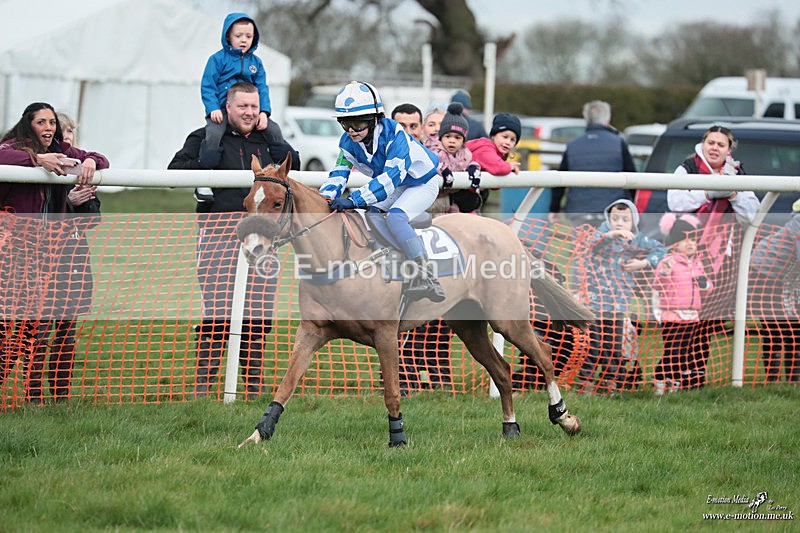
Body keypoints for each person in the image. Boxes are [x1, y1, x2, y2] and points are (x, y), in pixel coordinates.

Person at [169, 82, 299, 400]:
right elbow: (175, 171)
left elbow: (292, 168)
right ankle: (202, 391)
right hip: (218, 238)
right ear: (227, 107)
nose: (249, 113)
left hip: (264, 243)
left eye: (254, 106)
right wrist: (207, 161)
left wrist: (277, 139)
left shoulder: (268, 140)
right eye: (242, 106)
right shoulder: (205, 136)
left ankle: (253, 390)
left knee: (258, 314)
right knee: (217, 312)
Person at [0, 102, 109, 403]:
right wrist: (36, 160)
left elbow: (101, 161)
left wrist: (88, 166)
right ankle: (29, 393)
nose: (50, 129)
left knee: (57, 333)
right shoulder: (16, 152)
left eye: (54, 125)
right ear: (28, 125)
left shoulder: (66, 157)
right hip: (17, 258)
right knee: (17, 332)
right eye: (42, 122)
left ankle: (55, 400)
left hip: (63, 263)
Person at [319, 80, 444, 303]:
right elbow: (339, 172)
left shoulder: (395, 134)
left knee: (396, 218)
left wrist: (354, 199)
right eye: (345, 123)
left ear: (375, 119)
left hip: (422, 183)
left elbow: (389, 180)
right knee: (372, 214)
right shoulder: (348, 142)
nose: (351, 131)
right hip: (398, 184)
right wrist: (324, 198)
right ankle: (395, 262)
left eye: (357, 124)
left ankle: (427, 277)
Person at [667, 125, 760, 388]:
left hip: (721, 261)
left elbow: (752, 213)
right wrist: (709, 192)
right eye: (711, 142)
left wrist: (732, 193)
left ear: (729, 149)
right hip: (685, 255)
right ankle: (672, 375)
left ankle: (696, 377)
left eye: (721, 144)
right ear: (703, 144)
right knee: (680, 322)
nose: (715, 148)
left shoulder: (737, 172)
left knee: (706, 323)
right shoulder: (687, 167)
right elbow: (675, 201)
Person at [575, 199, 667, 393]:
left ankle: (610, 381)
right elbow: (590, 243)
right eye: (615, 218)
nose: (619, 222)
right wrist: (611, 234)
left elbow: (661, 250)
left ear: (633, 222)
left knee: (614, 346)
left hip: (619, 305)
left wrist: (643, 264)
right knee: (594, 344)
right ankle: (585, 381)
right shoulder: (600, 235)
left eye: (625, 219)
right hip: (595, 304)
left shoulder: (637, 240)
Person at [550, 100, 637, 227]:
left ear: (586, 119)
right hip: (611, 210)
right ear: (608, 120)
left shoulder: (573, 145)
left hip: (579, 212)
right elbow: (632, 178)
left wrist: (554, 208)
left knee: (581, 246)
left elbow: (560, 181)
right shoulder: (618, 143)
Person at [653, 214, 712, 394]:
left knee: (684, 352)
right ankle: (661, 379)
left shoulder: (697, 264)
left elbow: (708, 286)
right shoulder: (669, 261)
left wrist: (704, 284)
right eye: (686, 240)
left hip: (691, 316)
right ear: (675, 244)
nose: (691, 244)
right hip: (673, 315)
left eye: (693, 240)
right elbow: (658, 283)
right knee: (672, 350)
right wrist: (664, 271)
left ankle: (675, 381)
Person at [201, 13, 275, 154]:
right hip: (221, 110)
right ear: (228, 36)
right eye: (238, 36)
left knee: (274, 130)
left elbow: (262, 88)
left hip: (249, 110)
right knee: (214, 133)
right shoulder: (217, 59)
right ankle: (209, 160)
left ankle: (282, 162)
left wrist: (264, 112)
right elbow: (208, 86)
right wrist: (213, 108)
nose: (243, 40)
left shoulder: (256, 63)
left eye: (248, 36)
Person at [750, 201, 800, 384]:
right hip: (764, 273)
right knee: (777, 328)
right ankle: (774, 381)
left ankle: (793, 381)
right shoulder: (799, 223)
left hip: (789, 278)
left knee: (794, 329)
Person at [426, 102, 481, 214]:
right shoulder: (435, 151)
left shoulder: (465, 153)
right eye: (448, 136)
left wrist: (473, 168)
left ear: (463, 140)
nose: (452, 140)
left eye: (457, 137)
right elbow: (432, 164)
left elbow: (471, 162)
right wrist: (444, 170)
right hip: (435, 198)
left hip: (454, 199)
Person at [466, 113, 521, 208]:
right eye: (505, 137)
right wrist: (509, 166)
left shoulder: (498, 154)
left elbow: (495, 185)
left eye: (512, 140)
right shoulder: (485, 148)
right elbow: (497, 167)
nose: (508, 142)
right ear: (493, 136)